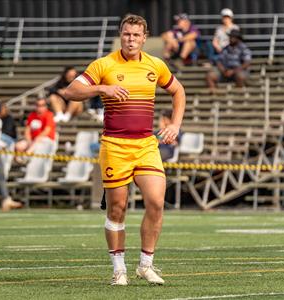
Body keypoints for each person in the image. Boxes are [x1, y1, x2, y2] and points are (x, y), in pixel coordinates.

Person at [63, 14, 185, 286]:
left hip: (145, 145)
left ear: (144, 37)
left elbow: (178, 91)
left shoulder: (156, 65)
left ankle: (146, 264)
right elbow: (71, 91)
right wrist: (101, 87)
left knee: (155, 202)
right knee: (117, 209)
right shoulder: (104, 64)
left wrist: (175, 124)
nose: (131, 39)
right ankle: (119, 269)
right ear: (121, 35)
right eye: (126, 34)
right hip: (115, 146)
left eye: (136, 35)